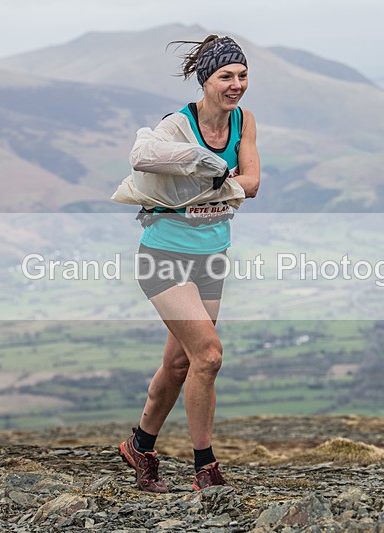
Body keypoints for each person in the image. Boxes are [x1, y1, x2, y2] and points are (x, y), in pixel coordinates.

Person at [118, 35, 260, 492]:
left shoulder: (244, 121)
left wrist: (211, 179)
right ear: (206, 80)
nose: (236, 84)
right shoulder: (178, 126)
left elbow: (253, 182)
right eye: (225, 76)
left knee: (180, 365)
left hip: (212, 256)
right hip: (164, 255)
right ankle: (206, 468)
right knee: (209, 355)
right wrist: (221, 176)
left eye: (241, 75)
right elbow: (143, 157)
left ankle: (139, 445)